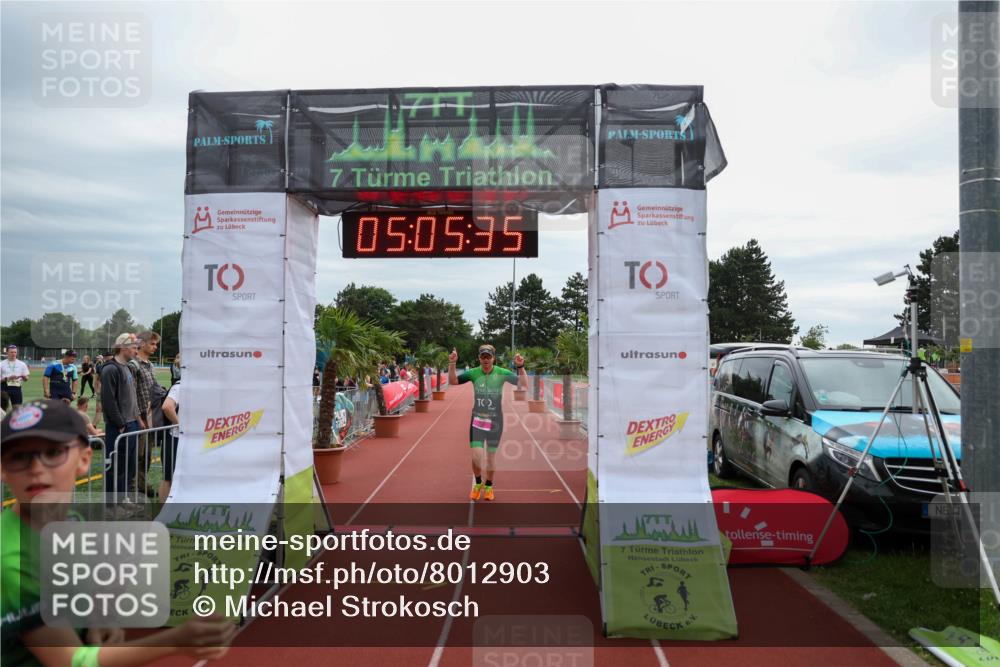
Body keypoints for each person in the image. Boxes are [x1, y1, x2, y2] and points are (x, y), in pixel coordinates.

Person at [1, 398, 237, 665]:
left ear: (84, 459)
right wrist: (176, 640)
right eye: (18, 457)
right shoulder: (11, 561)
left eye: (54, 453)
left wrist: (97, 621)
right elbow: (72, 661)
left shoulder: (72, 524)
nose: (36, 469)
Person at [448, 344, 527, 502]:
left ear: (493, 358)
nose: (485, 359)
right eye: (483, 356)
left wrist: (521, 366)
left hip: (495, 421)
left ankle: (489, 486)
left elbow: (522, 383)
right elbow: (453, 381)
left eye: (488, 357)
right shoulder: (473, 373)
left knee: (490, 458)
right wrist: (452, 363)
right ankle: (478, 483)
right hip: (477, 420)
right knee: (477, 457)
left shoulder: (501, 373)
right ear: (479, 358)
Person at [100, 334, 141, 503]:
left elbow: (131, 397)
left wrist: (137, 419)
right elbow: (108, 401)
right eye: (133, 347)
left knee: (128, 466)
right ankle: (112, 506)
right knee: (116, 467)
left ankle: (123, 500)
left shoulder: (128, 367)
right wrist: (120, 424)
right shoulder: (111, 369)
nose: (136, 351)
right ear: (123, 347)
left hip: (131, 424)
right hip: (120, 427)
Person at [130, 331, 165, 499]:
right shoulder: (133, 365)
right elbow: (131, 394)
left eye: (155, 344)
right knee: (138, 455)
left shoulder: (150, 365)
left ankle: (142, 484)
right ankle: (134, 487)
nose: (155, 347)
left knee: (147, 455)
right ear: (142, 344)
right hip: (139, 418)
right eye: (152, 344)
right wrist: (139, 417)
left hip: (151, 416)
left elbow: (153, 389)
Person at [160, 380, 180, 502]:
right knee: (169, 478)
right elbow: (167, 407)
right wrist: (180, 425)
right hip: (174, 439)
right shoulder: (180, 387)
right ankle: (161, 513)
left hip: (184, 440)